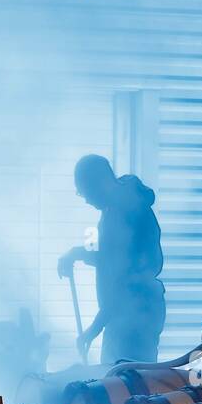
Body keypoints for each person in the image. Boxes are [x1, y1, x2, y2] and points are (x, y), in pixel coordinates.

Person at [57, 155, 167, 364]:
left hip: (137, 317)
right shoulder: (115, 207)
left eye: (87, 193)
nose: (87, 200)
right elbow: (111, 257)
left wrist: (92, 330)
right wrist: (77, 253)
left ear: (101, 182)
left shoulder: (127, 211)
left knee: (126, 385)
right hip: (126, 314)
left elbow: (124, 284)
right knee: (115, 380)